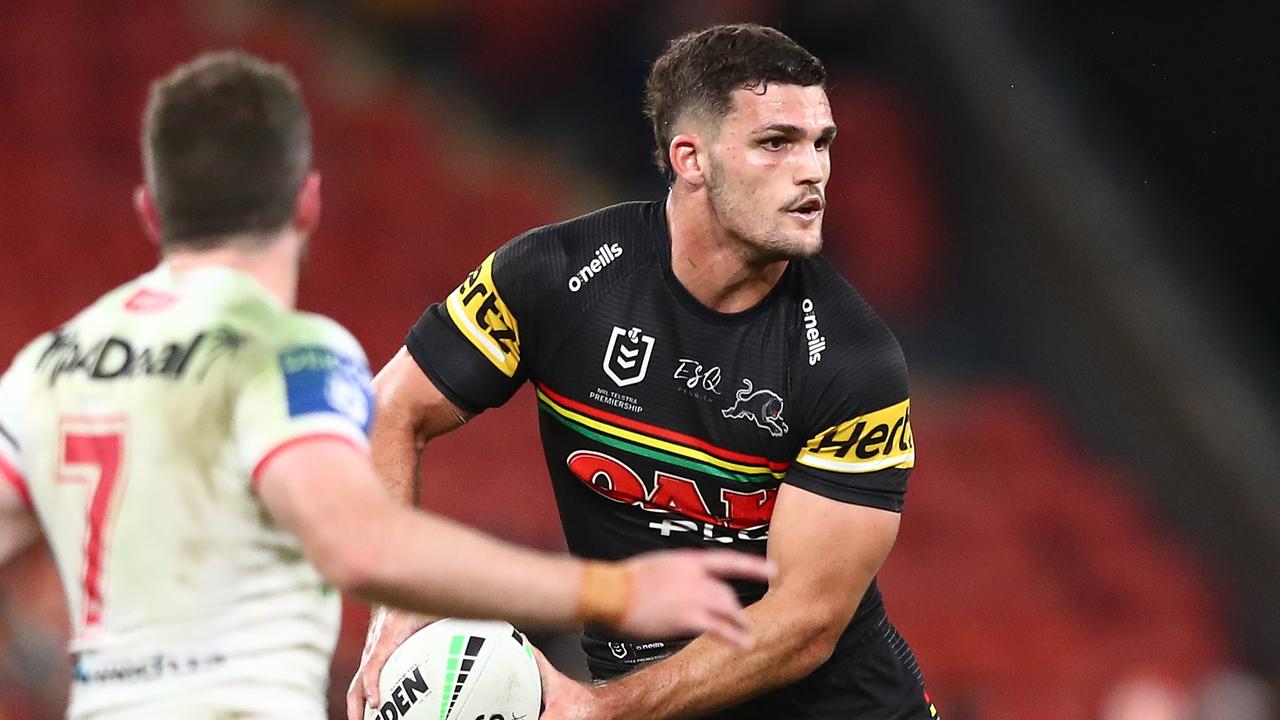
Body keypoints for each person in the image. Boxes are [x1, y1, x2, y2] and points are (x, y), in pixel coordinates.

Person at [0, 50, 773, 720]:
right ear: (307, 202)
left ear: (149, 210)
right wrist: (607, 595)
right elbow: (358, 543)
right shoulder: (291, 354)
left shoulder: (47, 366)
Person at [352, 21, 940, 720]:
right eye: (777, 142)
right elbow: (391, 408)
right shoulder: (556, 277)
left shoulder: (852, 360)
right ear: (691, 159)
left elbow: (806, 625)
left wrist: (603, 708)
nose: (813, 169)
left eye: (821, 143)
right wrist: (394, 606)